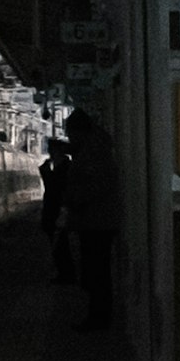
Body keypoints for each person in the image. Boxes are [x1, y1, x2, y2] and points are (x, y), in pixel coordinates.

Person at [64, 111, 124, 330]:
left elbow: (95, 186)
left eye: (71, 134)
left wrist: (74, 198)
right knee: (96, 271)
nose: (70, 139)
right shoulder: (97, 148)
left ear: (79, 132)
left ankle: (98, 318)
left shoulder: (94, 153)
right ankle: (97, 316)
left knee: (97, 272)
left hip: (96, 221)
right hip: (98, 221)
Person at [37, 134, 73, 278]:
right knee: (59, 242)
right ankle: (64, 272)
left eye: (52, 151)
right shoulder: (63, 167)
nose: (51, 154)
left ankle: (65, 273)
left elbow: (53, 188)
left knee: (60, 243)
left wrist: (45, 174)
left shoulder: (63, 168)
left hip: (57, 211)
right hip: (56, 210)